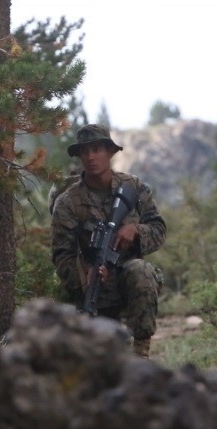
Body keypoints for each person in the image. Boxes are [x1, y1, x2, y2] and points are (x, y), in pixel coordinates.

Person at [50, 124, 166, 358]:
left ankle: (141, 352)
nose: (91, 156)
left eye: (98, 149)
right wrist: (85, 273)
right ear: (79, 156)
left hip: (128, 281)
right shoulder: (67, 203)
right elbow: (62, 256)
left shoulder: (133, 187)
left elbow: (159, 230)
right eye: (85, 151)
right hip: (92, 288)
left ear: (110, 152)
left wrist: (135, 230)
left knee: (141, 270)